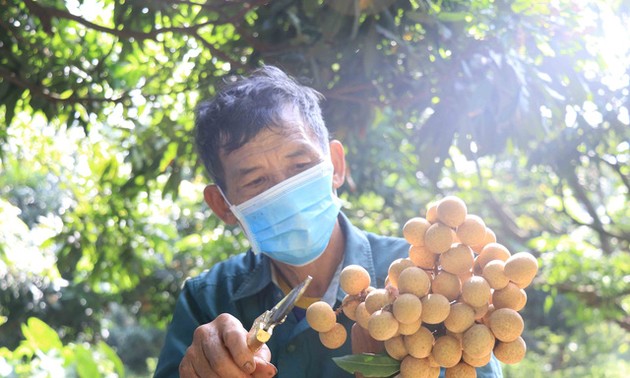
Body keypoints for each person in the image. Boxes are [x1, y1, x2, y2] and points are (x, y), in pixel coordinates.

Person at [154, 65, 503, 377]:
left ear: (336, 165)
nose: (286, 192)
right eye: (256, 181)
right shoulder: (208, 299)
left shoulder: (438, 280)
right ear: (223, 205)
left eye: (301, 166)